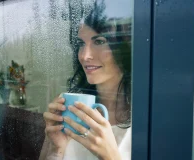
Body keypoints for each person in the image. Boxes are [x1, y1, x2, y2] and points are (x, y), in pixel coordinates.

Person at [39, 1, 131, 159]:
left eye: (99, 41)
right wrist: (55, 148)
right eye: (81, 43)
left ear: (122, 49)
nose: (85, 55)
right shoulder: (68, 109)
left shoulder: (145, 119)